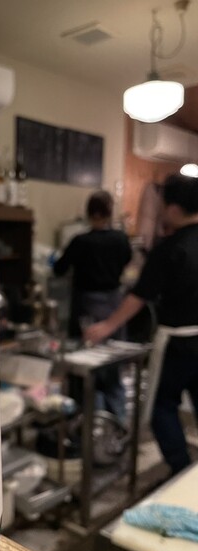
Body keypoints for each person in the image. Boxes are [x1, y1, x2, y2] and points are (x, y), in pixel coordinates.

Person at [85, 174, 198, 476]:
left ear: (174, 208)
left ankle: (181, 469)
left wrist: (107, 326)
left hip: (178, 342)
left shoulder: (170, 248)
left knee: (161, 408)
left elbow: (139, 295)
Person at [53, 190, 132, 422]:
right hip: (115, 305)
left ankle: (93, 426)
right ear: (109, 213)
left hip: (88, 306)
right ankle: (119, 424)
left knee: (90, 370)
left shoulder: (81, 241)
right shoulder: (121, 239)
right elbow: (127, 260)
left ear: (89, 213)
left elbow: (59, 268)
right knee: (113, 366)